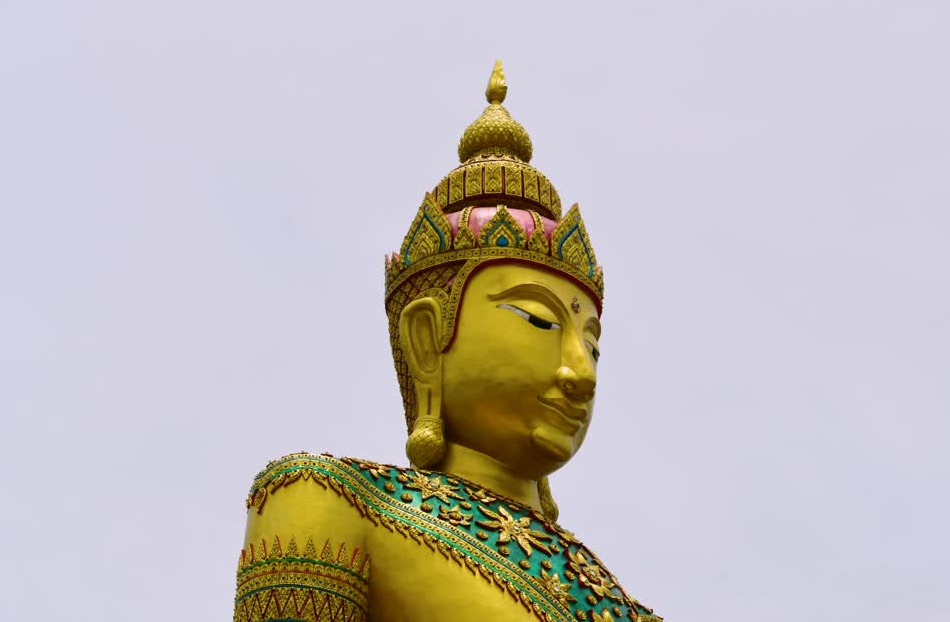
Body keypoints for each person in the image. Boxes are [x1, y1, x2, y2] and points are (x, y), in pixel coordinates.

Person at [232, 61, 662, 622]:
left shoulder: (620, 604)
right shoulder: (333, 503)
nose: (580, 373)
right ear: (427, 339)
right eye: (540, 322)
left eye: (593, 346)